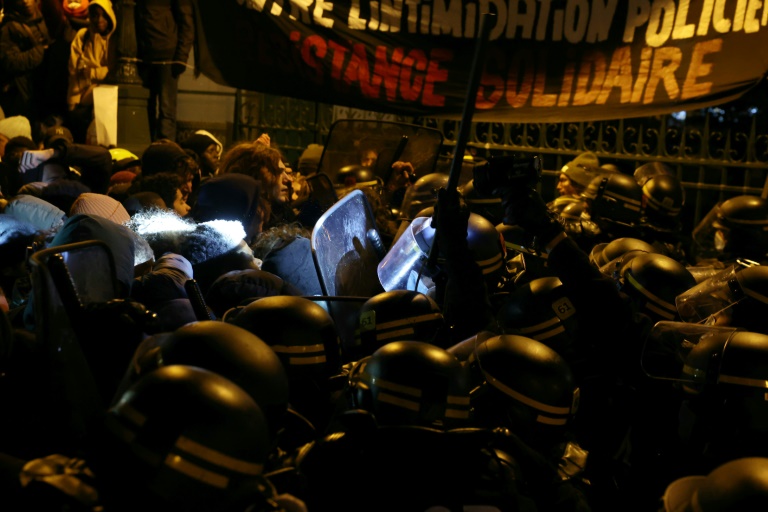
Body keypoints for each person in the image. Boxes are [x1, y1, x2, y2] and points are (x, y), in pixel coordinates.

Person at [135, 0, 195, 142]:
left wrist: (181, 56)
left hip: (166, 57)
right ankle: (151, 147)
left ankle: (165, 149)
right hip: (144, 56)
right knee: (146, 107)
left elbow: (187, 24)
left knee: (165, 109)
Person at [66, 0, 116, 144]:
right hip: (83, 101)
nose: (99, 20)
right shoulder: (83, 36)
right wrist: (72, 103)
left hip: (104, 100)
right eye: (95, 15)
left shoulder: (115, 39)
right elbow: (74, 73)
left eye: (103, 15)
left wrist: (90, 72)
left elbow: (112, 71)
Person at [0, 0, 51, 125]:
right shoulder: (9, 27)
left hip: (39, 85)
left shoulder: (39, 16)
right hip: (23, 93)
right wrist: (39, 52)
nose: (24, 1)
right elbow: (9, 61)